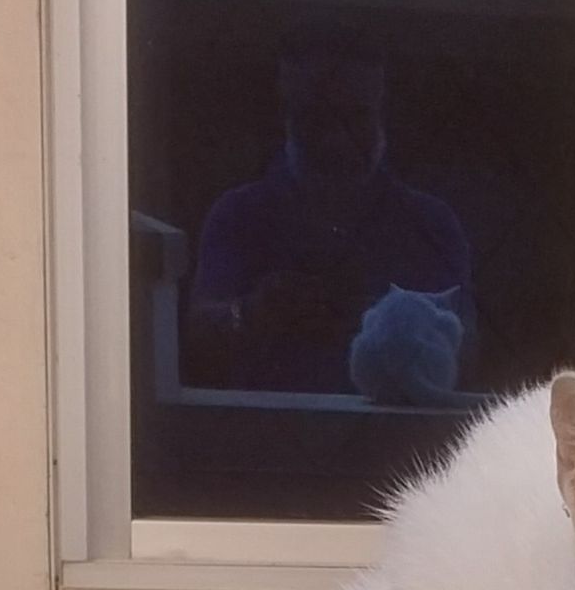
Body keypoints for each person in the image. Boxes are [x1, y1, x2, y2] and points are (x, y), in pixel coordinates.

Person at [186, 26, 474, 395]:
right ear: (285, 116)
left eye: (355, 117)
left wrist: (393, 324)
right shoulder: (237, 216)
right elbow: (193, 349)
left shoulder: (432, 225)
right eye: (314, 117)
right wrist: (256, 312)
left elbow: (468, 361)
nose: (335, 139)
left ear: (383, 115)